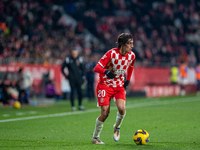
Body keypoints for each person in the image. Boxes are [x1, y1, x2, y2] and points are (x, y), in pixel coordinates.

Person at [91, 33, 135, 144]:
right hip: (105, 85)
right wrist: (105, 71)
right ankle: (95, 138)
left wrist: (128, 79)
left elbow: (131, 66)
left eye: (132, 43)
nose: (132, 46)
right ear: (122, 44)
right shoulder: (111, 54)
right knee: (105, 112)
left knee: (122, 109)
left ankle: (117, 127)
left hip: (118, 86)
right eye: (129, 43)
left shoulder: (132, 56)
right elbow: (96, 67)